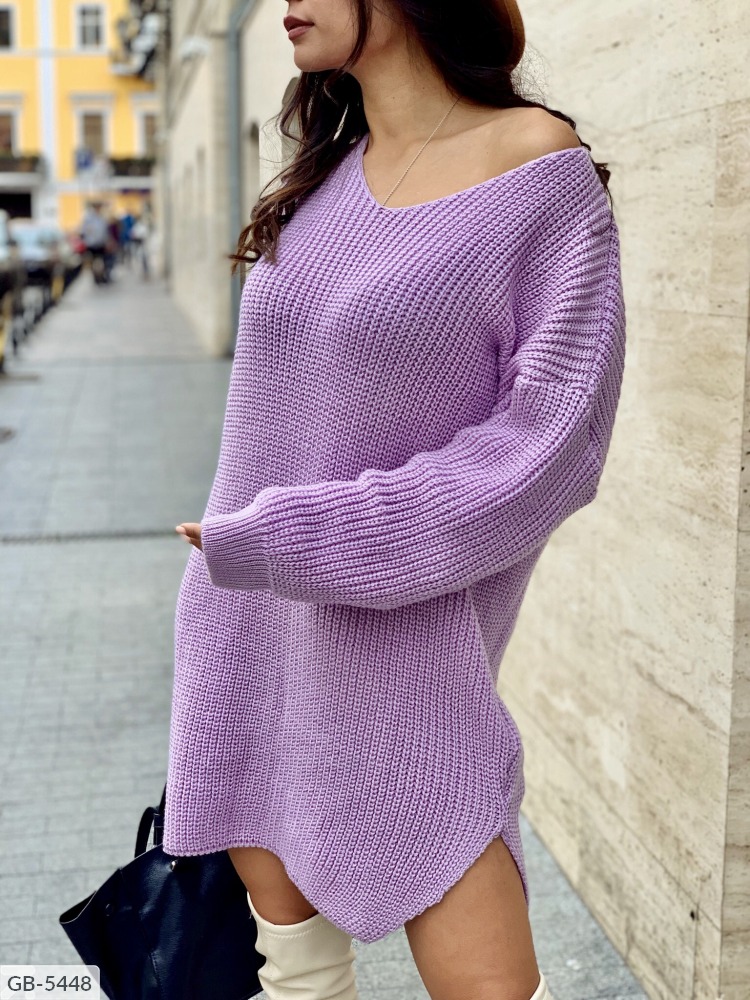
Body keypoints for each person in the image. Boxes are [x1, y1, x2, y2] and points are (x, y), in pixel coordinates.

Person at [169, 3, 626, 1000]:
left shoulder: (533, 167)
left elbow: (551, 448)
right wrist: (249, 556)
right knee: (302, 982)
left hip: (407, 671)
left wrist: (294, 538)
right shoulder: (326, 174)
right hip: (251, 640)